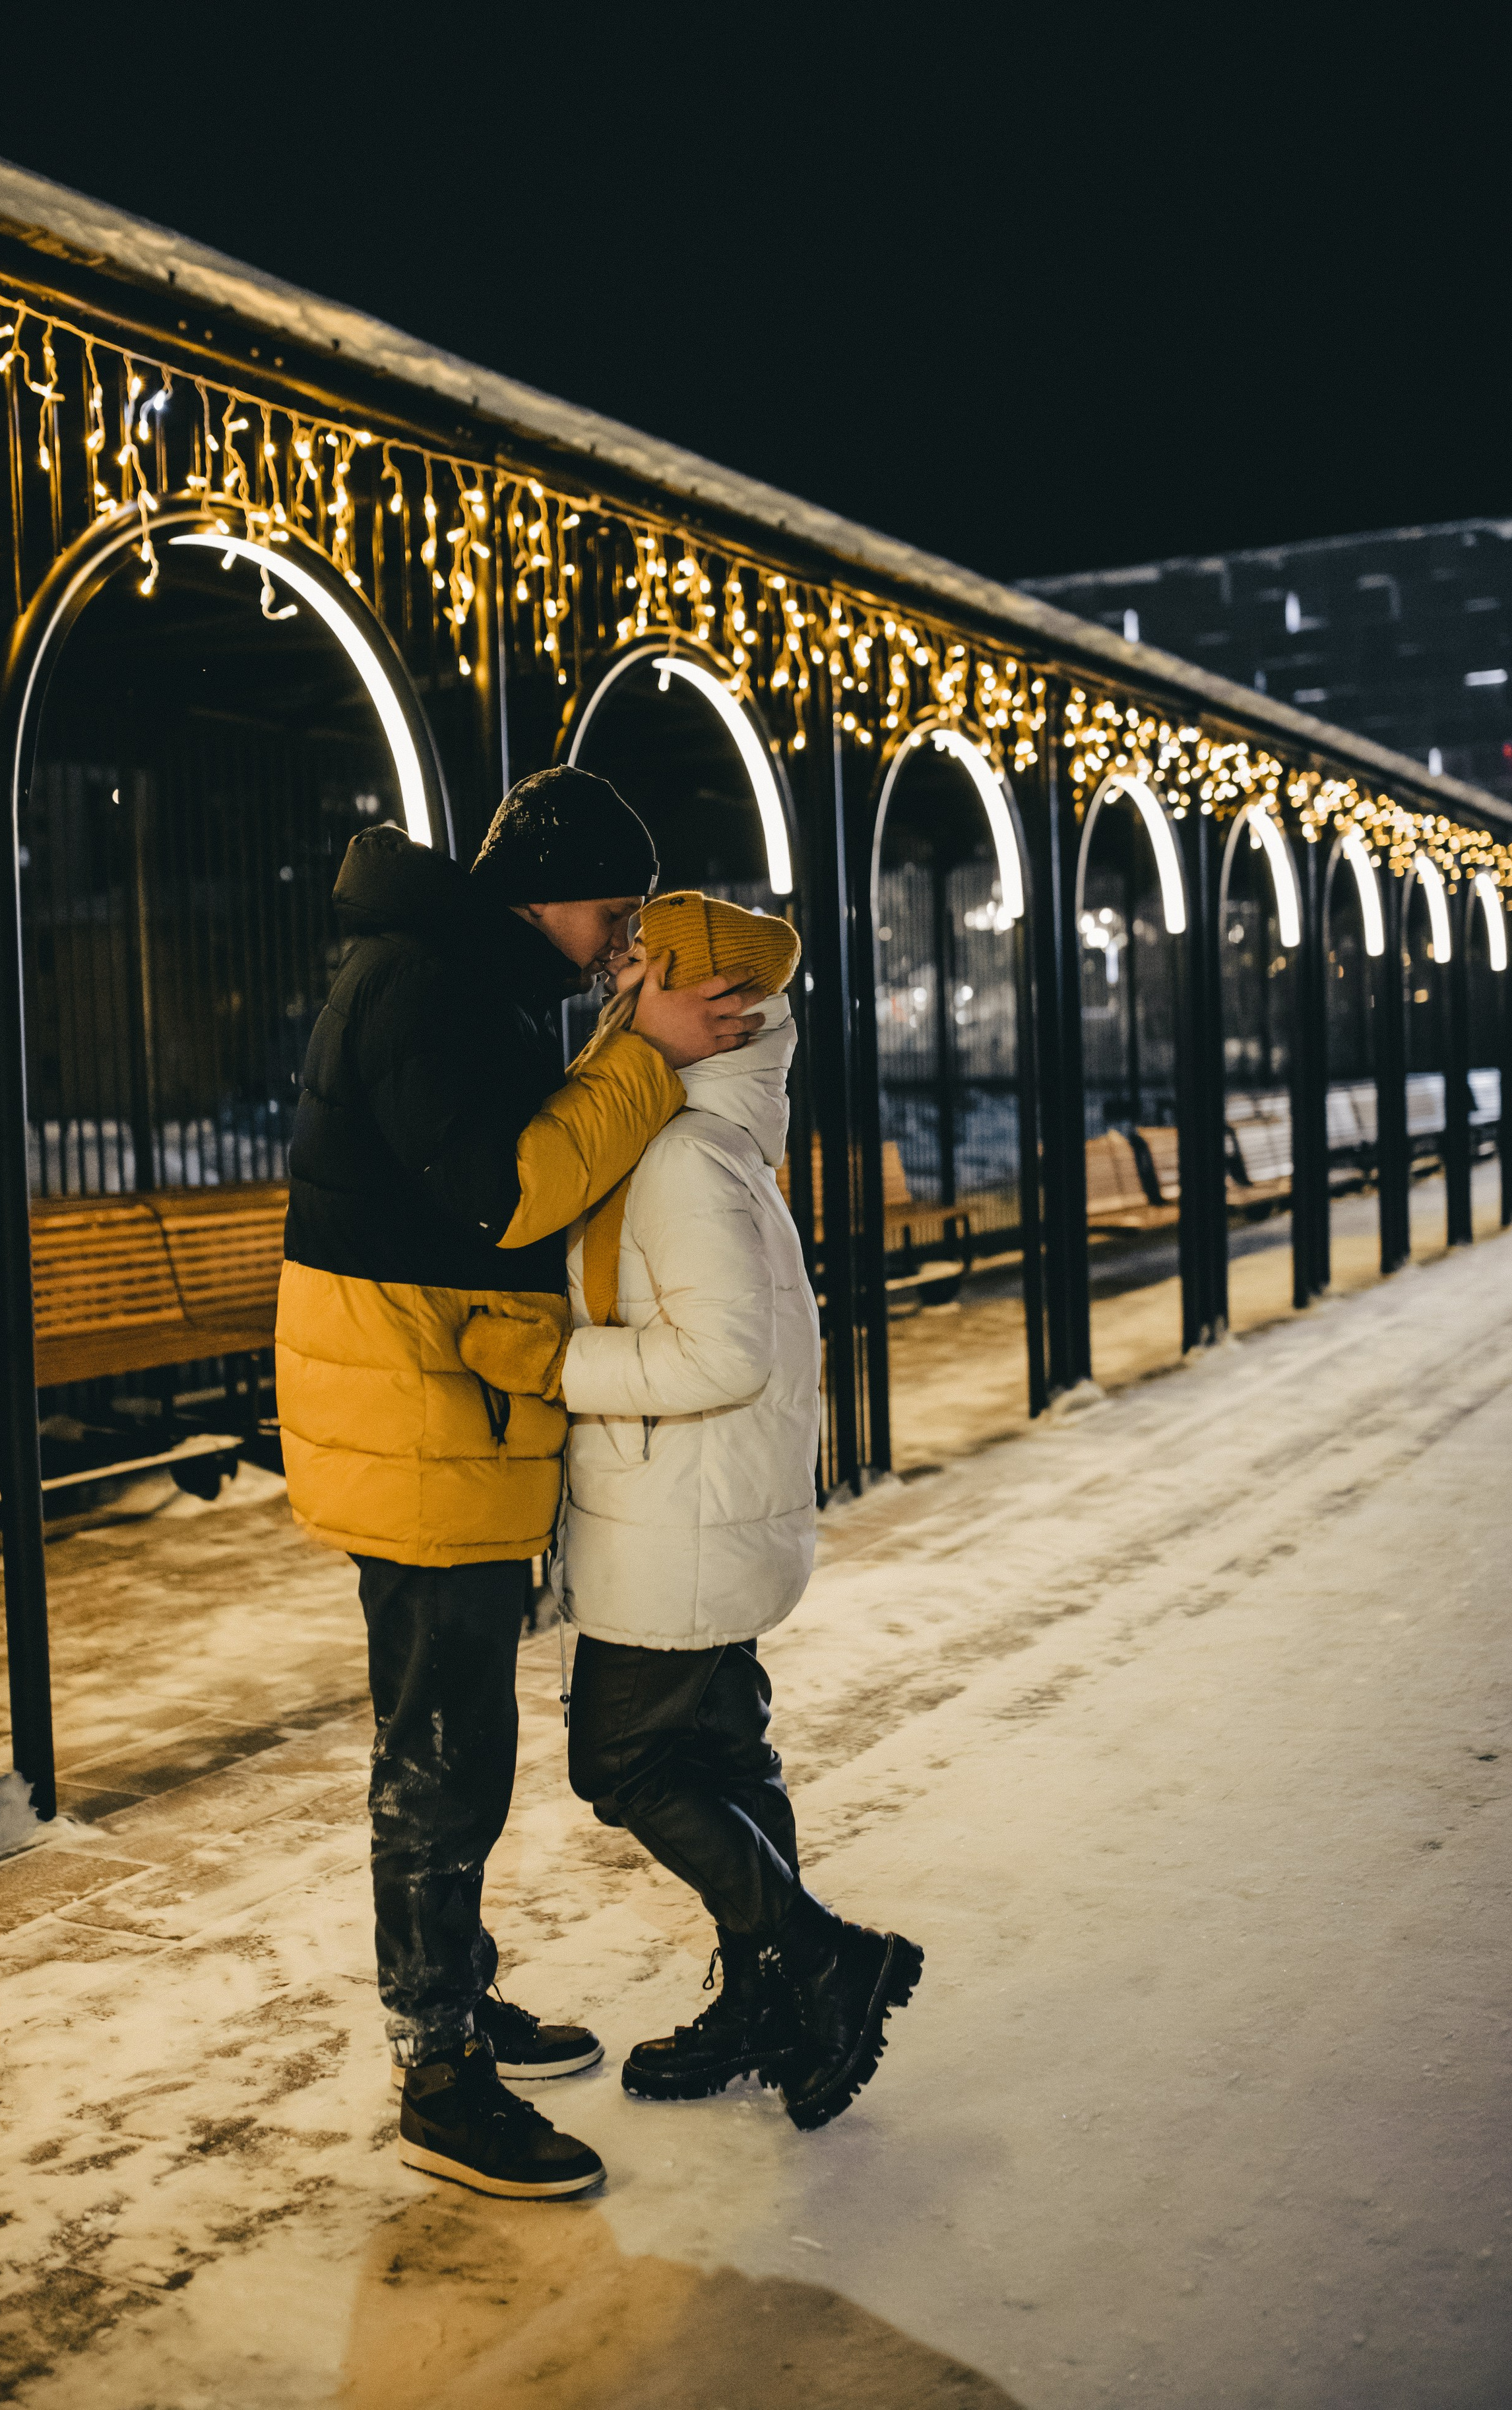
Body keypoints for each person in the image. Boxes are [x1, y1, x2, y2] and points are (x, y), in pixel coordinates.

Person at [274, 774, 762, 2201]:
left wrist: (623, 1049)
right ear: (543, 894)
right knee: (441, 1756)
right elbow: (507, 1196)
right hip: (416, 1421)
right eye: (612, 913)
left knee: (452, 1737)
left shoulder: (450, 976)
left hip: (436, 1410)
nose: (620, 945)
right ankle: (438, 2075)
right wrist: (647, 1057)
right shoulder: (425, 986)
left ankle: (457, 1998)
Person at [542, 890, 923, 2131]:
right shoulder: (704, 1138)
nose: (616, 971)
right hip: (696, 1507)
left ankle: (823, 1957)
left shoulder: (681, 1156)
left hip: (677, 1521)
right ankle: (766, 1996)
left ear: (710, 999)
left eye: (644, 961)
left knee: (620, 1761)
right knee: (721, 1755)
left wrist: (554, 1364)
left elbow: (722, 1357)